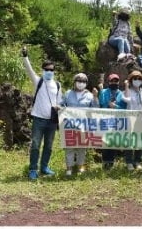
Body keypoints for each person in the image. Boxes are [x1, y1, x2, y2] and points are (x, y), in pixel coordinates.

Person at [22, 47, 62, 180]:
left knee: (49, 146)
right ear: (43, 70)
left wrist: (59, 107)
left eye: (51, 70)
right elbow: (29, 69)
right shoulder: (38, 81)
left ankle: (44, 167)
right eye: (47, 69)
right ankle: (33, 169)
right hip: (39, 119)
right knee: (35, 145)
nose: (49, 72)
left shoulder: (57, 85)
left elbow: (60, 101)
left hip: (52, 120)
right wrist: (25, 56)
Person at [61, 73, 99, 176]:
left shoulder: (89, 95)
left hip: (84, 125)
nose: (81, 83)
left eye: (83, 81)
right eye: (79, 81)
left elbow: (95, 109)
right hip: (69, 124)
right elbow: (61, 105)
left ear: (86, 83)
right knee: (70, 147)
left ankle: (80, 167)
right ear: (74, 82)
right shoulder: (68, 93)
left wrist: (95, 97)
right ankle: (69, 168)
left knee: (82, 147)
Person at [98, 73, 133, 170]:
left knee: (113, 141)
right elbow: (101, 104)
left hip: (118, 122)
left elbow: (125, 107)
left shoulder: (121, 94)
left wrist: (115, 106)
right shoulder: (103, 92)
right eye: (112, 81)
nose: (114, 82)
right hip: (105, 120)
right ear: (108, 82)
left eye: (116, 81)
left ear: (118, 82)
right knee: (105, 141)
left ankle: (111, 162)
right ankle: (105, 163)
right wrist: (108, 105)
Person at [119, 70, 142, 170]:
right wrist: (127, 86)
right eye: (135, 79)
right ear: (131, 80)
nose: (137, 80)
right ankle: (129, 162)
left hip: (141, 119)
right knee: (129, 141)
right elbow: (126, 99)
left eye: (139, 79)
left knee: (139, 140)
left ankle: (138, 161)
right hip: (130, 119)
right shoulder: (127, 91)